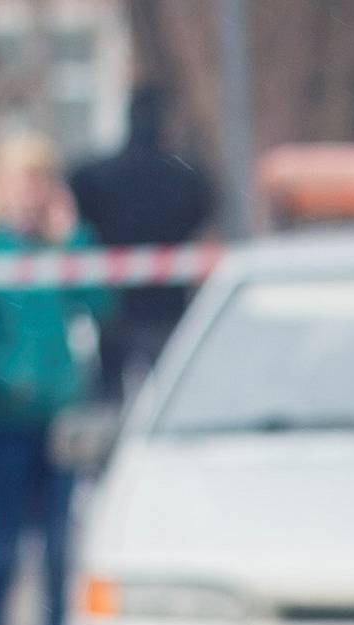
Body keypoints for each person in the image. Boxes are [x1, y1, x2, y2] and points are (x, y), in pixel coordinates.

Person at [0, 131, 116, 625]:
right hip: (4, 417)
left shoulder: (64, 249)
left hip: (59, 416)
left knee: (58, 544)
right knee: (1, 540)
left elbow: (100, 303)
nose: (28, 194)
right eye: (19, 181)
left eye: (38, 181)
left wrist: (73, 239)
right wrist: (3, 378)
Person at [67, 86, 213, 402]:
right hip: (166, 305)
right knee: (174, 396)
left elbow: (80, 207)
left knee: (111, 399)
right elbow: (202, 210)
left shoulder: (96, 176)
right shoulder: (185, 177)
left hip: (116, 306)